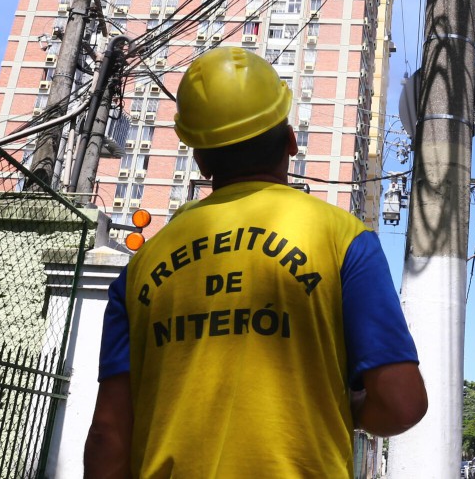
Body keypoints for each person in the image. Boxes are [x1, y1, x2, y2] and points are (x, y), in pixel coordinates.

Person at [84, 47, 427, 478]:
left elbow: (108, 435)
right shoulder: (344, 239)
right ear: (290, 141)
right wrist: (351, 406)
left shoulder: (140, 268)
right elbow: (401, 405)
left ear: (200, 159)